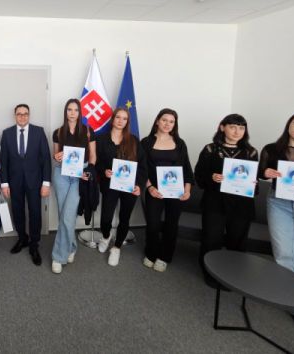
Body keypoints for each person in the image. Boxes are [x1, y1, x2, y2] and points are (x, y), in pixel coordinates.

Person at [259, 111, 294, 328]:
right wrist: (266, 173)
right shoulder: (272, 149)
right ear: (289, 125)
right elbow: (260, 172)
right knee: (283, 252)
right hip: (279, 203)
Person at [194, 114, 258, 287]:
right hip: (215, 202)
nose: (237, 132)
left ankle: (232, 276)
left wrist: (254, 183)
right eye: (233, 127)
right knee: (211, 239)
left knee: (237, 241)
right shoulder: (210, 149)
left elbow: (254, 181)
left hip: (241, 205)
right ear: (222, 127)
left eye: (241, 128)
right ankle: (210, 273)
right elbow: (199, 175)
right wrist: (211, 177)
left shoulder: (251, 152)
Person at [141, 108, 193, 273]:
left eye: (171, 121)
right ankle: (151, 253)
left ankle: (164, 257)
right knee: (153, 224)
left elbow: (187, 169)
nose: (167, 124)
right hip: (154, 190)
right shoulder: (146, 142)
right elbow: (142, 169)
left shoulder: (180, 143)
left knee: (171, 225)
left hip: (176, 191)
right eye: (164, 120)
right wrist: (149, 187)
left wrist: (187, 190)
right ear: (157, 121)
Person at [0, 104, 51, 266]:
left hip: (35, 181)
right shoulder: (7, 134)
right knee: (17, 211)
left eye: (25, 114)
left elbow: (46, 159)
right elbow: (3, 160)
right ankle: (22, 238)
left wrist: (46, 183)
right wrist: (4, 183)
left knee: (35, 212)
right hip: (14, 181)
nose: (22, 117)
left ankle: (34, 245)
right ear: (15, 115)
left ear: (29, 115)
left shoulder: (39, 132)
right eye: (19, 114)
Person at [96, 107, 146, 267]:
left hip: (129, 187)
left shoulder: (134, 140)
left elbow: (142, 166)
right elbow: (96, 162)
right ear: (113, 119)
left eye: (124, 118)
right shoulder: (101, 139)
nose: (120, 121)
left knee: (125, 218)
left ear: (127, 122)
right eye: (118, 117)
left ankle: (116, 248)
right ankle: (106, 236)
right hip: (109, 185)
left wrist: (139, 185)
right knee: (106, 217)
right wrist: (104, 171)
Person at [50, 99, 96, 274]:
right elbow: (55, 155)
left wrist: (89, 171)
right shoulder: (58, 132)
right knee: (64, 215)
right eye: (69, 109)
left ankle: (58, 257)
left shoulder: (88, 131)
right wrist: (57, 156)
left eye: (76, 110)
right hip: (61, 173)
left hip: (79, 175)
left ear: (80, 112)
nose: (72, 113)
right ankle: (71, 246)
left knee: (68, 216)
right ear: (65, 111)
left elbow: (93, 156)